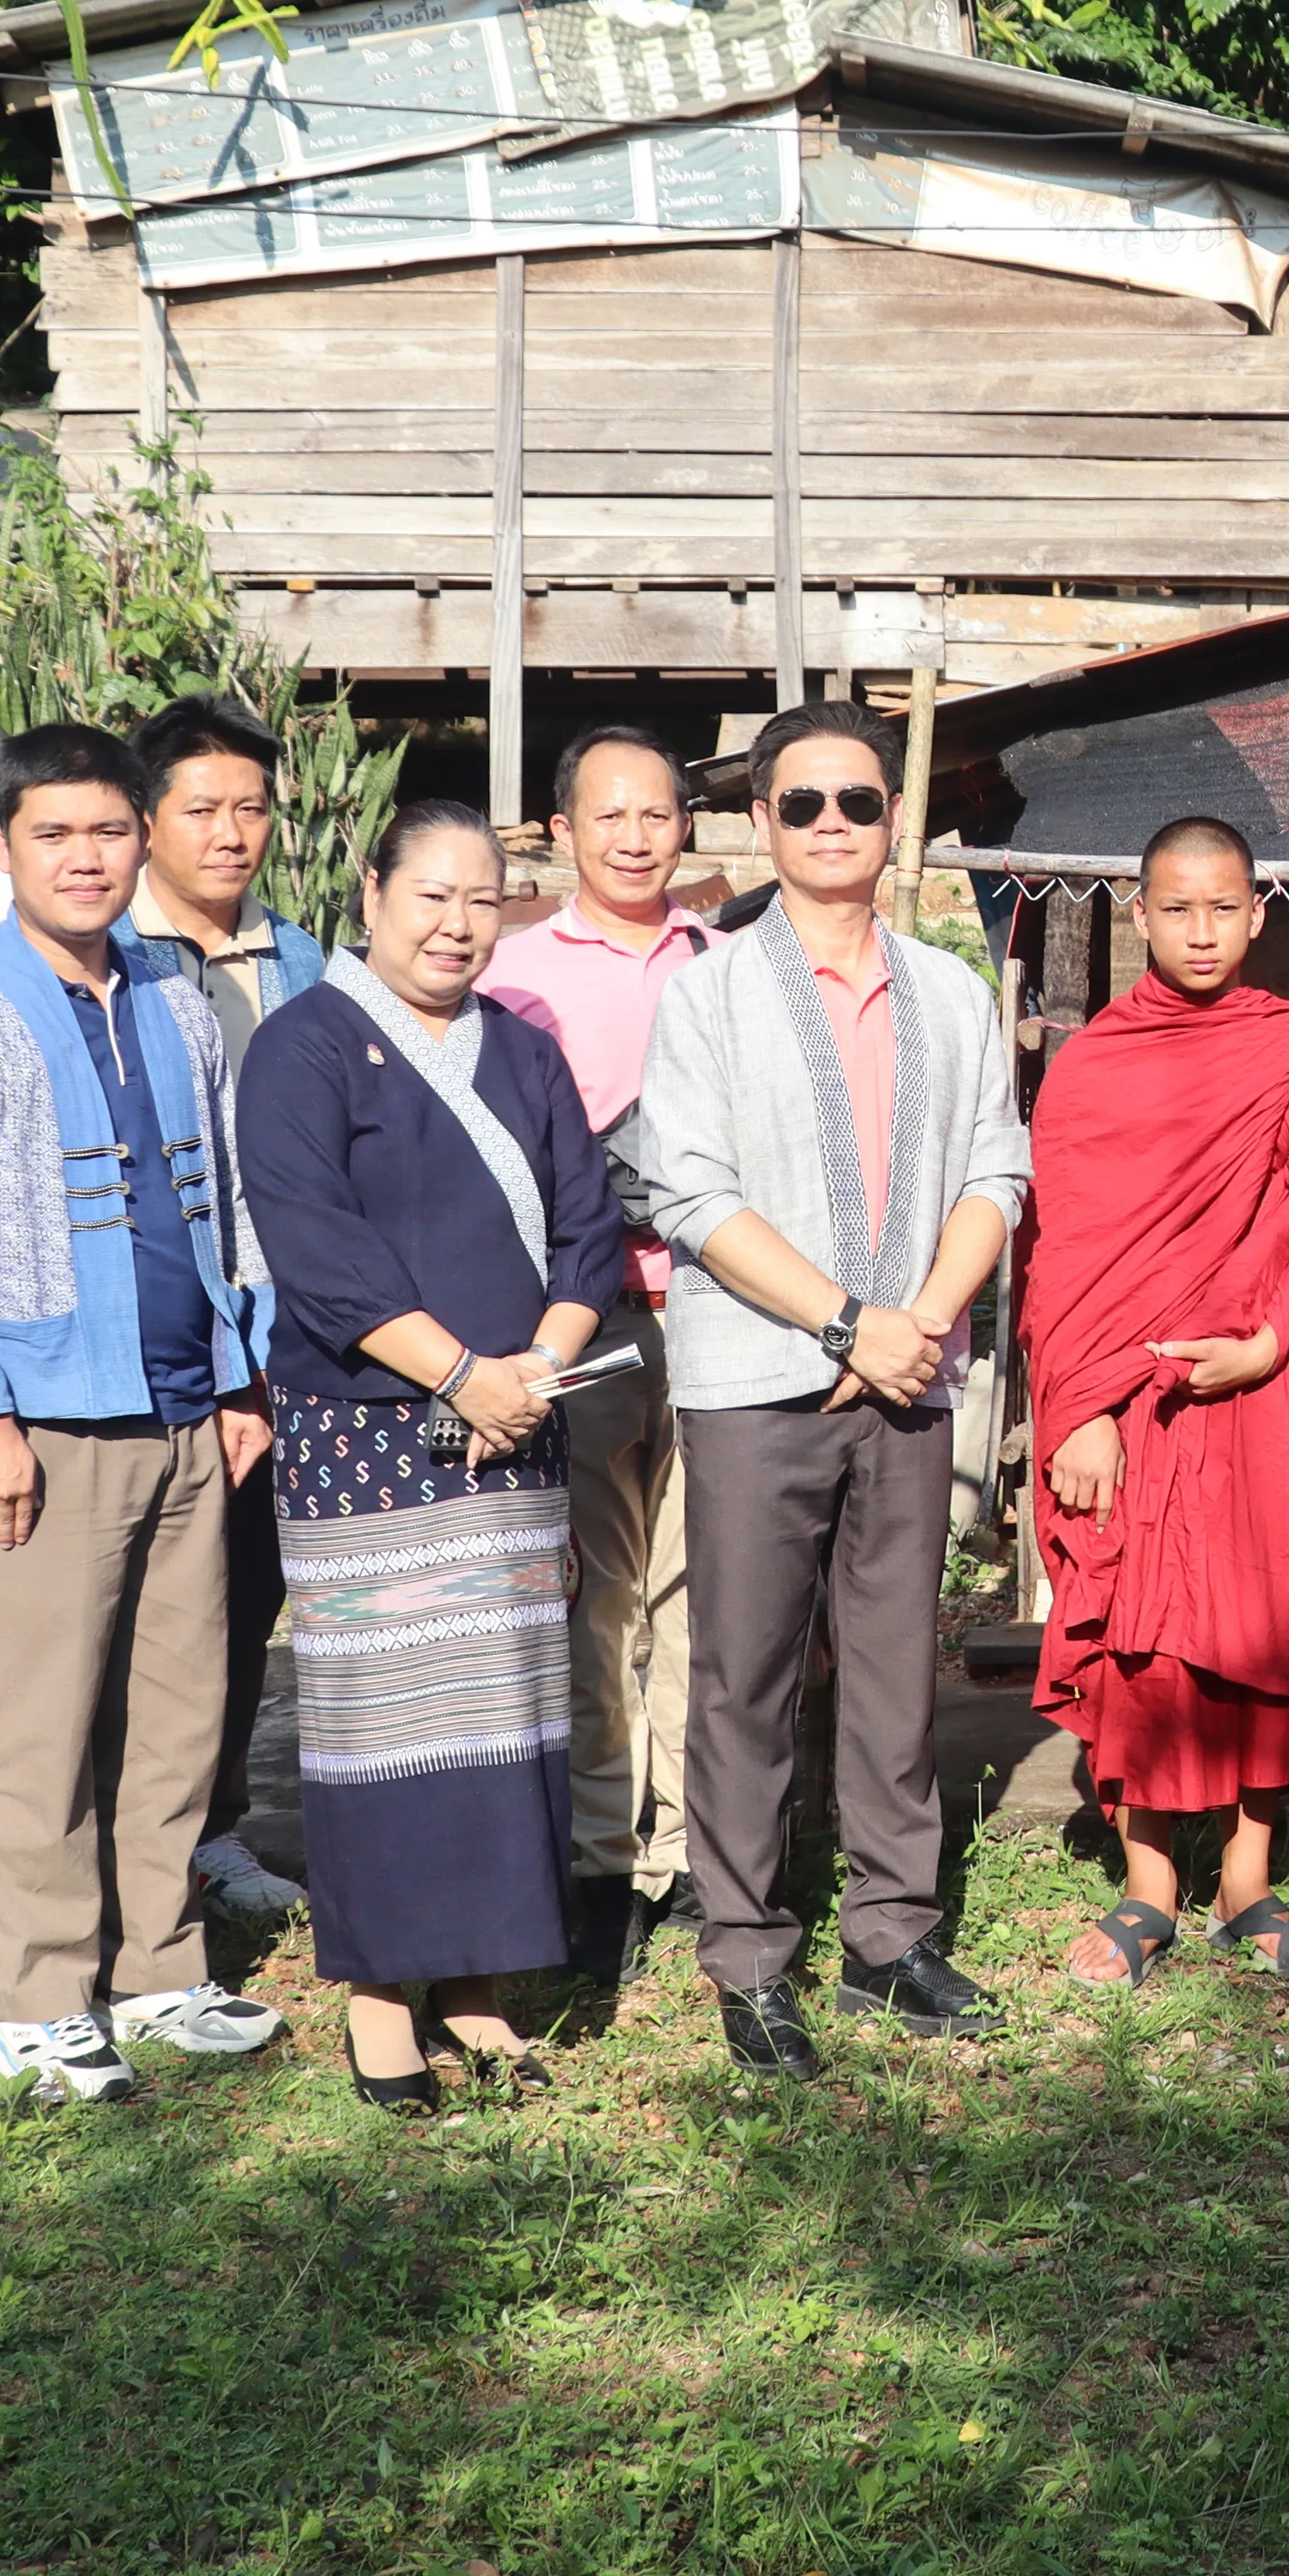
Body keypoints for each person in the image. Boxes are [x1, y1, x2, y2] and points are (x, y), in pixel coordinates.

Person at [0, 725, 287, 2104]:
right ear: (4, 852)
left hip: (185, 1407)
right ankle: (41, 1996)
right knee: (42, 1721)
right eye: (57, 835)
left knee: (180, 1709)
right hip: (44, 1424)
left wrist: (239, 1374)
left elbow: (223, 1202)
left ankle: (161, 1968)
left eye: (109, 832)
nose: (88, 857)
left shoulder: (168, 996)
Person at [631, 698, 1030, 2073]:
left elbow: (996, 1172)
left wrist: (920, 1319)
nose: (832, 826)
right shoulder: (711, 990)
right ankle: (747, 1954)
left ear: (892, 819)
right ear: (764, 822)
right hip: (757, 1381)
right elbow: (688, 1191)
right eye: (802, 804)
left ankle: (890, 1935)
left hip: (914, 1371)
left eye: (857, 802)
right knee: (744, 1673)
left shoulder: (951, 992)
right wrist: (849, 1320)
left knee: (893, 1670)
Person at [234, 798, 627, 2110]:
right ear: (371, 893)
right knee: (384, 1717)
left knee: (507, 1712)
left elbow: (589, 1225)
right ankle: (378, 1997)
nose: (460, 924)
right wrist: (462, 1373)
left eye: (483, 900)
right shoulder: (305, 1048)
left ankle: (477, 1986)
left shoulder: (519, 1050)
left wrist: (532, 1372)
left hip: (520, 1417)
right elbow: (317, 1253)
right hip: (371, 1430)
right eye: (433, 896)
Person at [1027, 821, 1289, 1985]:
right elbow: (1066, 1247)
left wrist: (1271, 1341)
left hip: (1258, 1384)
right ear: (1140, 915)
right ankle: (1148, 1886)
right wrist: (1079, 1406)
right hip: (1129, 1394)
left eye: (1222, 908)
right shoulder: (1091, 1065)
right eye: (1177, 909)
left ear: (1259, 913)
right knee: (1145, 1635)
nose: (1200, 931)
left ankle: (1249, 1881)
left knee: (1260, 1626)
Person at [477, 725, 714, 1977]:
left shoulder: (729, 965)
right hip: (580, 1322)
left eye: (658, 814)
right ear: (561, 831)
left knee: (696, 1596)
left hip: (722, 1317)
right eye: (607, 815)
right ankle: (598, 1856)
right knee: (590, 1595)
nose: (636, 836)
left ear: (689, 828)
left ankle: (684, 1853)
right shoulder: (512, 976)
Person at [125, 690, 330, 1936]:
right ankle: (125, 1849)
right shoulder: (114, 957)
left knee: (250, 1593)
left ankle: (212, 1829)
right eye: (202, 808)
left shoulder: (302, 962)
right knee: (154, 1608)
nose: (230, 833)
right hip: (160, 1337)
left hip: (291, 1334)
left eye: (252, 808)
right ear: (148, 820)